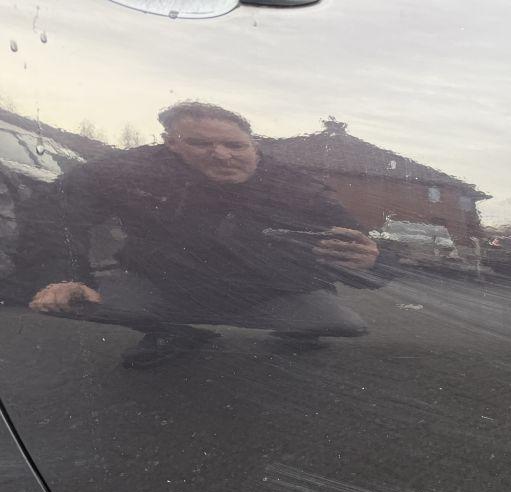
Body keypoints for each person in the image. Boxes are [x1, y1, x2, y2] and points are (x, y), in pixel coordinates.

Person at [19, 101, 380, 366]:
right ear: (171, 143)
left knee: (345, 324)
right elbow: (56, 212)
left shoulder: (293, 185)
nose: (221, 155)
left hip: (265, 292)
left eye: (235, 145)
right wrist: (63, 276)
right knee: (68, 300)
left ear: (254, 146)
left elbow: (352, 238)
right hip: (164, 285)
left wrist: (373, 259)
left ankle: (296, 327)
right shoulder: (131, 172)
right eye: (200, 144)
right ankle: (172, 332)